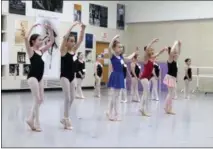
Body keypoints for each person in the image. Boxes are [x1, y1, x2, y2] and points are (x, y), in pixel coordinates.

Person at [24, 23, 54, 132]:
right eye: (39, 40)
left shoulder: (41, 51)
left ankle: (30, 119)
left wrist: (50, 30)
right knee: (36, 99)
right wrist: (32, 26)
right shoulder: (31, 51)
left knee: (40, 99)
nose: (41, 41)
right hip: (32, 77)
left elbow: (51, 42)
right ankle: (36, 123)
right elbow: (26, 37)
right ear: (33, 41)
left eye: (41, 39)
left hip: (40, 78)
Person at [60, 22, 86, 130]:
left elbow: (80, 40)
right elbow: (65, 37)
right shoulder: (63, 51)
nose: (73, 42)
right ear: (66, 42)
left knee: (73, 98)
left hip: (72, 76)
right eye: (70, 41)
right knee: (67, 97)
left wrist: (83, 29)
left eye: (73, 41)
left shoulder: (74, 51)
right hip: (64, 76)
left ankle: (65, 117)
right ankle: (66, 119)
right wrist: (71, 27)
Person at [106, 35, 138, 121]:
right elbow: (109, 47)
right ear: (114, 48)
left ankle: (115, 114)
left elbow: (128, 58)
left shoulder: (121, 57)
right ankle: (110, 113)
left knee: (117, 96)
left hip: (120, 76)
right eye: (119, 47)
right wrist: (114, 38)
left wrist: (134, 53)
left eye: (121, 47)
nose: (121, 49)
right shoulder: (112, 56)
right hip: (115, 76)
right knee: (114, 96)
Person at [139, 39, 166, 117]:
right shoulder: (146, 58)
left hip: (146, 78)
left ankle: (141, 108)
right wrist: (153, 41)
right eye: (150, 50)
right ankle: (142, 109)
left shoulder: (151, 58)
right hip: (144, 78)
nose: (152, 51)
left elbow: (158, 53)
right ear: (147, 52)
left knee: (145, 94)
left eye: (152, 50)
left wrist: (163, 50)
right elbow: (147, 48)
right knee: (145, 94)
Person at [163, 41, 181, 115]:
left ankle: (167, 107)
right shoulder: (170, 59)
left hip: (172, 78)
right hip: (170, 77)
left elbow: (179, 53)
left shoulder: (175, 60)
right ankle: (168, 108)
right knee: (171, 93)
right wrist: (175, 43)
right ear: (172, 53)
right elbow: (171, 52)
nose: (176, 53)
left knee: (171, 93)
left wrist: (180, 46)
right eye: (175, 52)